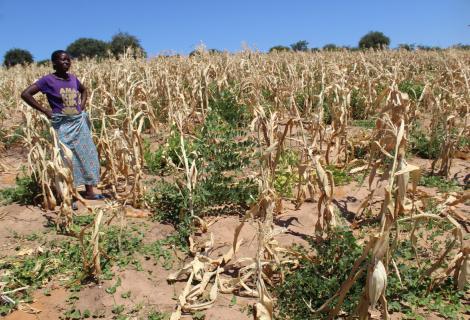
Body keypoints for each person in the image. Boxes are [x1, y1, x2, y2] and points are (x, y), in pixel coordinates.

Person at [21, 50, 104, 202]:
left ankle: (90, 192)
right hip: (62, 124)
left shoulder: (72, 78)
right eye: (62, 60)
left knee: (87, 155)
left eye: (68, 60)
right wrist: (45, 110)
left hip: (78, 122)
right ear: (54, 63)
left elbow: (84, 90)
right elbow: (25, 94)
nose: (66, 62)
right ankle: (69, 196)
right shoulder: (47, 80)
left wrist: (82, 104)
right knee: (66, 158)